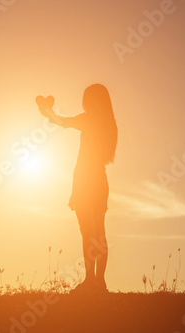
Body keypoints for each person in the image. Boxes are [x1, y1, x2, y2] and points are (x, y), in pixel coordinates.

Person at [36, 84, 118, 293]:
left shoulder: (90, 119)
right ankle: (98, 281)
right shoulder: (108, 123)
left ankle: (92, 280)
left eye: (87, 98)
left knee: (88, 233)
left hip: (86, 180)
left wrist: (48, 112)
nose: (85, 102)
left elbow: (64, 122)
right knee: (98, 232)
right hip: (97, 180)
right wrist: (50, 114)